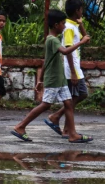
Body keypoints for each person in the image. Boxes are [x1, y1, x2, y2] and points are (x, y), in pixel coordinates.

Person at [11, 10, 93, 143]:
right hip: (54, 79)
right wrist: (81, 42)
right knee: (45, 105)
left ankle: (72, 134)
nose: (65, 26)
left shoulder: (53, 40)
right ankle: (20, 126)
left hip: (59, 79)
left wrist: (40, 79)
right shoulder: (52, 40)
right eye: (62, 24)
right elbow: (66, 51)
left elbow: (46, 61)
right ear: (56, 25)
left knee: (68, 103)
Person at [45, 0, 89, 139]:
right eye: (81, 9)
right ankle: (62, 125)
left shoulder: (72, 25)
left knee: (78, 95)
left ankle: (59, 119)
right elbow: (68, 50)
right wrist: (74, 73)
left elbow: (86, 38)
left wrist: (81, 25)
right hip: (71, 68)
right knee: (72, 99)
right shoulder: (68, 28)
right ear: (77, 11)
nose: (82, 12)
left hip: (75, 67)